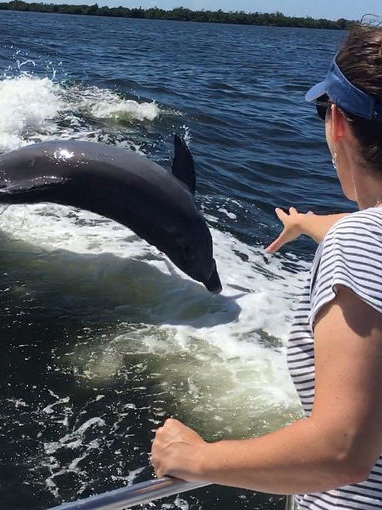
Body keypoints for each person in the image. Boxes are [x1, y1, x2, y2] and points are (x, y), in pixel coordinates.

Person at [151, 23, 382, 510]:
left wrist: (196, 457)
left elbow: (342, 452)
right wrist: (310, 223)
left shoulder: (358, 242)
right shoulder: (361, 235)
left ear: (337, 121)